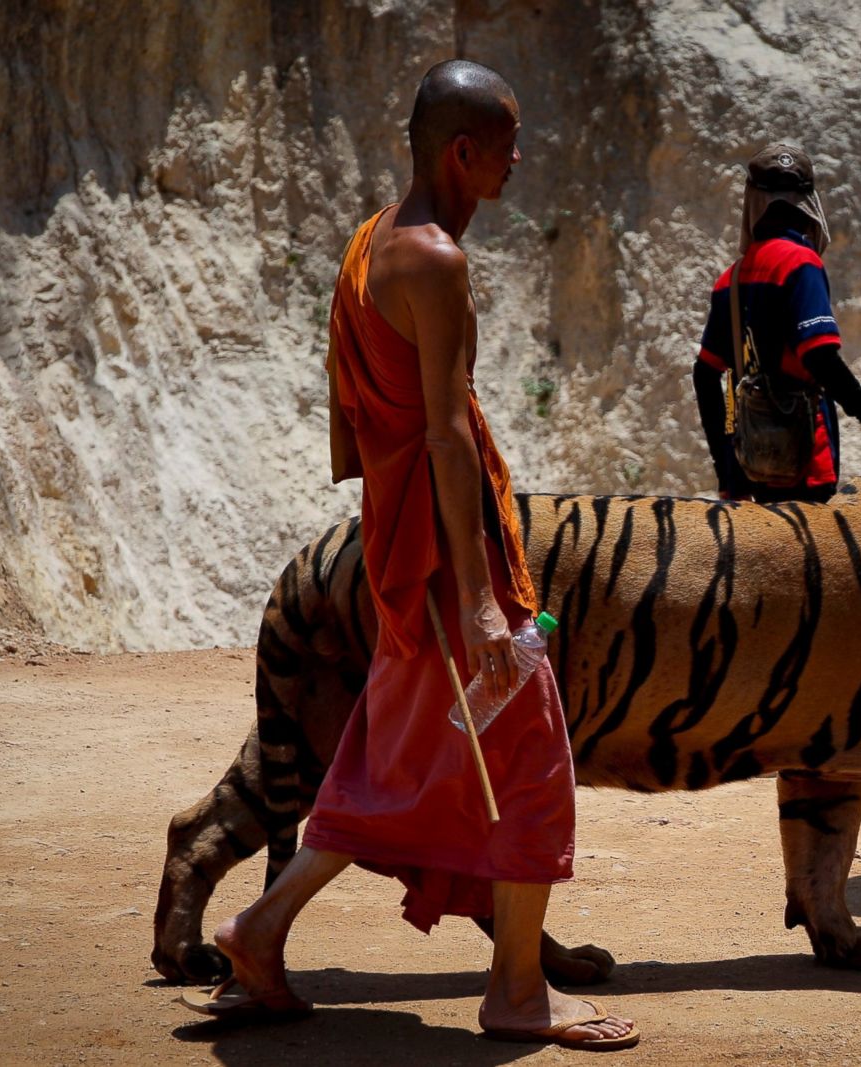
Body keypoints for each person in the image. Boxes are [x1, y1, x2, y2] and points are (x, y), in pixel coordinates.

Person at [183, 61, 638, 1051]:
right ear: (460, 152)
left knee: (384, 769)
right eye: (507, 141)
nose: (520, 157)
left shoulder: (367, 242)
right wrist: (478, 601)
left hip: (405, 547)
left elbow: (362, 421)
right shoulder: (434, 257)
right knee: (532, 771)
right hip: (442, 564)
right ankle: (517, 989)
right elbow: (443, 433)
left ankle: (255, 930)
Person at [694, 143, 861, 503]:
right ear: (809, 204)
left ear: (753, 203)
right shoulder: (801, 263)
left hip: (748, 474)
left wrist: (725, 471)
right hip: (805, 471)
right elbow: (820, 359)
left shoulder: (729, 280)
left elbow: (705, 374)